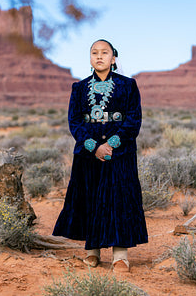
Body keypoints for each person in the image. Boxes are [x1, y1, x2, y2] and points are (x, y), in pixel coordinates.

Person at [52, 39, 148, 273]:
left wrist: (112, 144)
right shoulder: (79, 88)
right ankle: (92, 251)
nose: (99, 56)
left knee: (119, 200)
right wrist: (94, 146)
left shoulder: (128, 85)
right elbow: (74, 121)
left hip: (120, 152)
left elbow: (133, 119)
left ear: (113, 58)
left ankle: (120, 256)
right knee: (90, 198)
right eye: (94, 52)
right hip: (88, 153)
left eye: (104, 52)